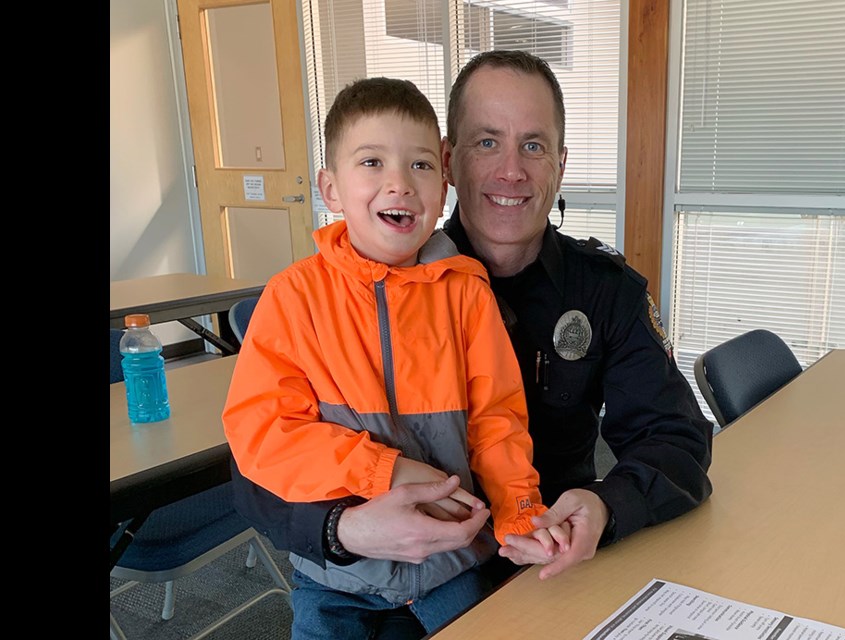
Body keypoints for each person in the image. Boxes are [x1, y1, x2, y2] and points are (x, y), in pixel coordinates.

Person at [229, 49, 715, 637]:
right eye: (488, 142)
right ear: (453, 161)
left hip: (536, 561)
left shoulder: (602, 289)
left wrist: (606, 506)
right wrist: (344, 527)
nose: (512, 170)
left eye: (533, 146)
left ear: (560, 164)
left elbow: (676, 438)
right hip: (350, 570)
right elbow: (258, 458)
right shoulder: (316, 292)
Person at [221, 76, 567, 640]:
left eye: (421, 165)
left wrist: (520, 512)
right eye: (372, 162)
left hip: (454, 562)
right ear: (330, 189)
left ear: (445, 181)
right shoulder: (292, 296)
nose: (400, 184)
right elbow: (263, 432)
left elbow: (497, 421)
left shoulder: (465, 292)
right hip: (336, 578)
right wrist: (385, 471)